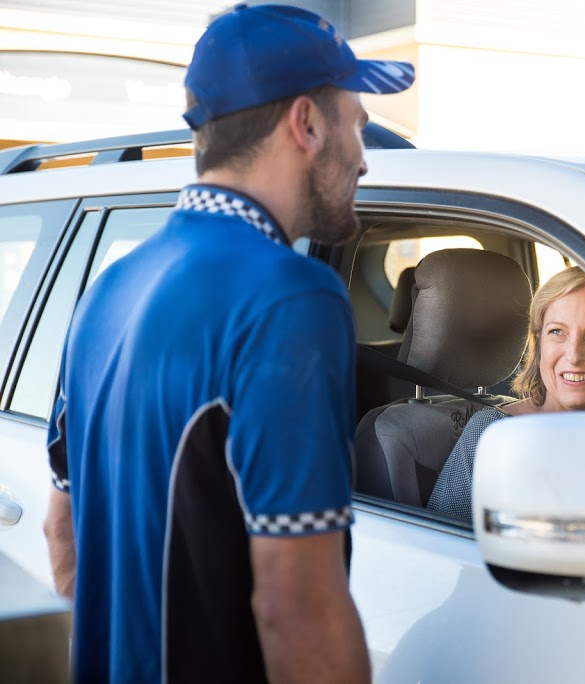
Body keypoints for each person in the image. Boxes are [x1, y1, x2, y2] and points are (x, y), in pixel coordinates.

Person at [42, 5, 414, 682]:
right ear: (306, 123)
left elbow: (62, 535)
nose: (363, 156)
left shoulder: (108, 289)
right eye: (357, 124)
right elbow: (296, 606)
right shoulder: (289, 298)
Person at [427, 266, 585, 523]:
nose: (574, 355)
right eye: (557, 332)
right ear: (539, 344)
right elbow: (443, 551)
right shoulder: (492, 436)